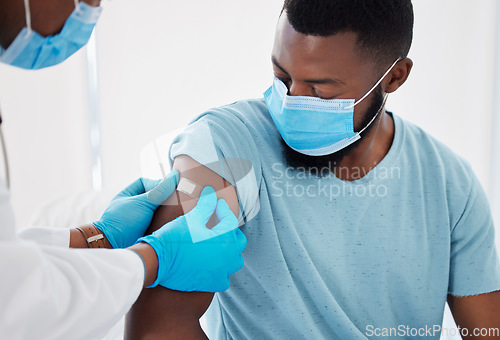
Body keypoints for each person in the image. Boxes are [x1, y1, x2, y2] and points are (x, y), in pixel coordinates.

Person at [124, 0, 500, 339]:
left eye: (321, 91)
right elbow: (160, 326)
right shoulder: (225, 147)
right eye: (283, 78)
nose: (291, 104)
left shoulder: (450, 183)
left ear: (395, 77)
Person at [0, 0, 246, 339]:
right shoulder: (220, 135)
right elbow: (19, 305)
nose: (90, 8)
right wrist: (152, 259)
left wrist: (94, 237)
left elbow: (8, 267)